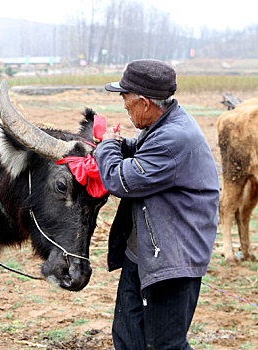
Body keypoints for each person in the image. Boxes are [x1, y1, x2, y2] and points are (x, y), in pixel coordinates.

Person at [93, 59, 219, 349]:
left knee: (165, 345)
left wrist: (108, 147)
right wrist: (119, 145)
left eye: (127, 99)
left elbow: (119, 180)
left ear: (146, 103)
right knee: (128, 339)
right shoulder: (165, 122)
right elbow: (141, 151)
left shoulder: (172, 138)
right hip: (143, 254)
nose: (124, 105)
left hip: (172, 260)